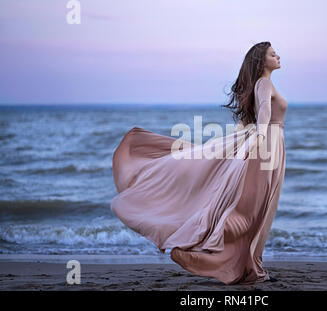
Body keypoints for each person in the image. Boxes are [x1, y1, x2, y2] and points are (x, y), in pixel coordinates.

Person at [110, 41, 287, 285]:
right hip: (267, 146)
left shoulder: (263, 84)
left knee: (259, 210)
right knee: (258, 210)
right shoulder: (264, 83)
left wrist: (247, 141)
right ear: (261, 60)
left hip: (268, 145)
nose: (277, 55)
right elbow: (265, 116)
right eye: (272, 53)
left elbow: (255, 119)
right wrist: (256, 143)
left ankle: (250, 266)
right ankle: (242, 264)